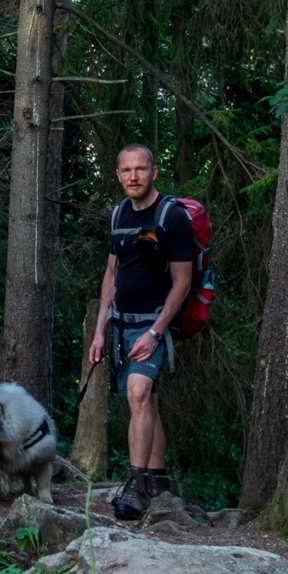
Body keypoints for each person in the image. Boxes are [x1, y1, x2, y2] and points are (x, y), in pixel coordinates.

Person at [86, 143, 195, 520]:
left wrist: (155, 331)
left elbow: (182, 282)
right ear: (118, 175)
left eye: (141, 169)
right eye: (127, 170)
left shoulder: (172, 216)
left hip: (154, 324)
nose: (134, 177)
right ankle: (159, 480)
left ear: (154, 172)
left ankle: (136, 485)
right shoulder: (118, 213)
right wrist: (100, 331)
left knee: (138, 393)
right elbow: (112, 274)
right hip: (121, 325)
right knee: (145, 401)